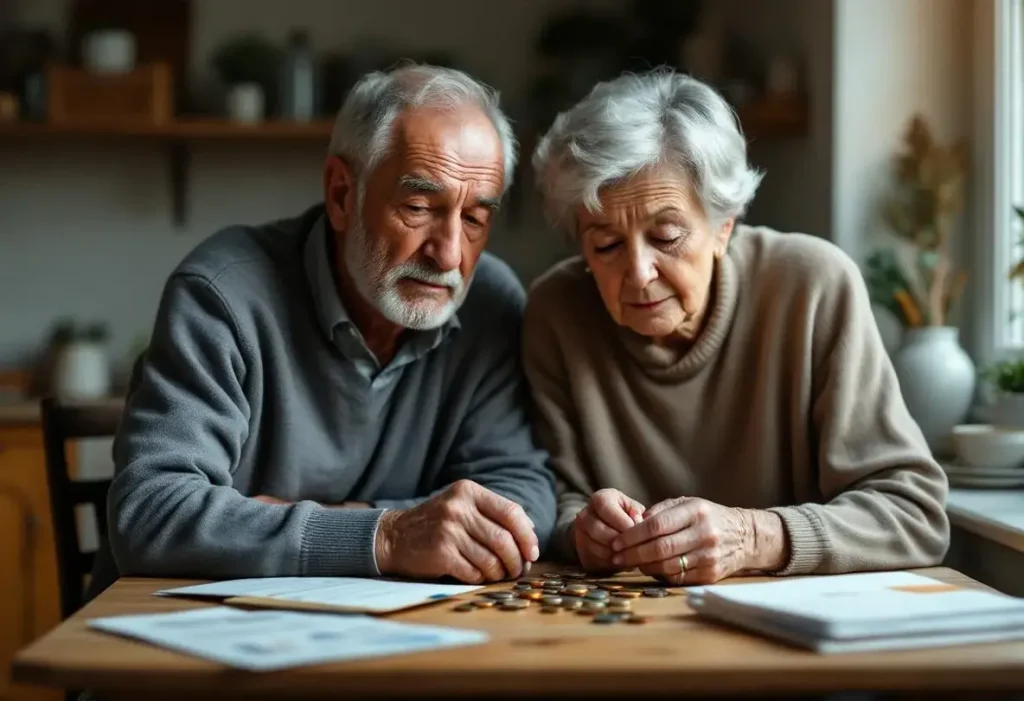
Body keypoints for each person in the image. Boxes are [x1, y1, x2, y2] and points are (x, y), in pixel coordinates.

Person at [90, 64, 557, 597]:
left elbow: (524, 504)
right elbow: (151, 513)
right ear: (341, 194)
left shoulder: (491, 304)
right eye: (419, 207)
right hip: (172, 651)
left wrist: (320, 524)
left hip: (391, 645)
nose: (449, 253)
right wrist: (385, 537)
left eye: (475, 218)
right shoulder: (223, 292)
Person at [523, 69, 950, 585]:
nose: (638, 274)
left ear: (724, 228)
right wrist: (581, 532)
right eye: (606, 245)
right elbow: (558, 499)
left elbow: (914, 514)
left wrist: (753, 536)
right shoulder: (556, 313)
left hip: (797, 631)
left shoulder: (813, 287)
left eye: (667, 235)